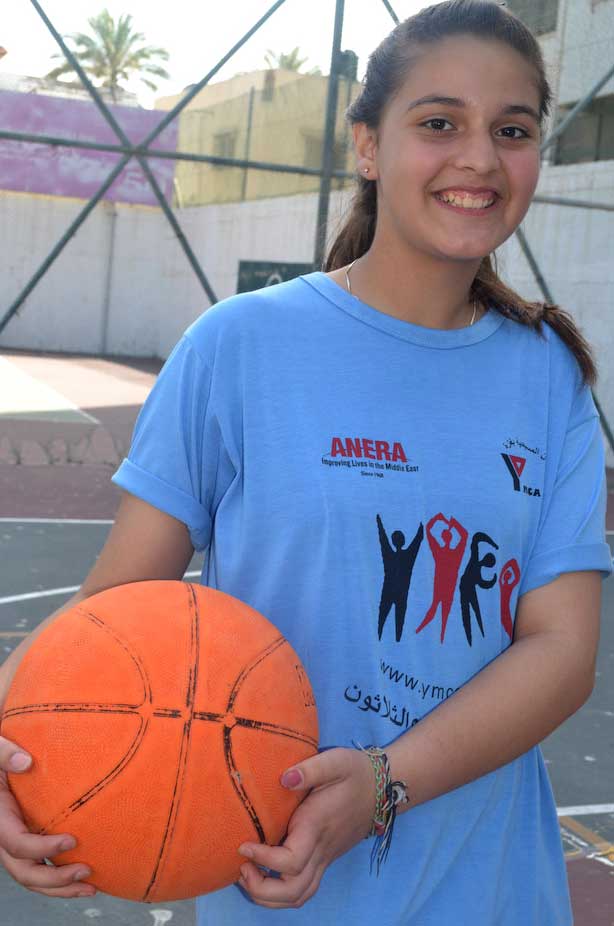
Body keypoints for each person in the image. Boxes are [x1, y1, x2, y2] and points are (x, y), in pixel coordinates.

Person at [0, 1, 612, 922]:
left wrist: (385, 783)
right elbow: (117, 609)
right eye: (438, 122)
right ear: (367, 144)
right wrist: (16, 752)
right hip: (276, 889)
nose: (479, 156)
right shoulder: (238, 347)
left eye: (512, 130)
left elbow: (562, 650)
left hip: (491, 890)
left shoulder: (548, 376)